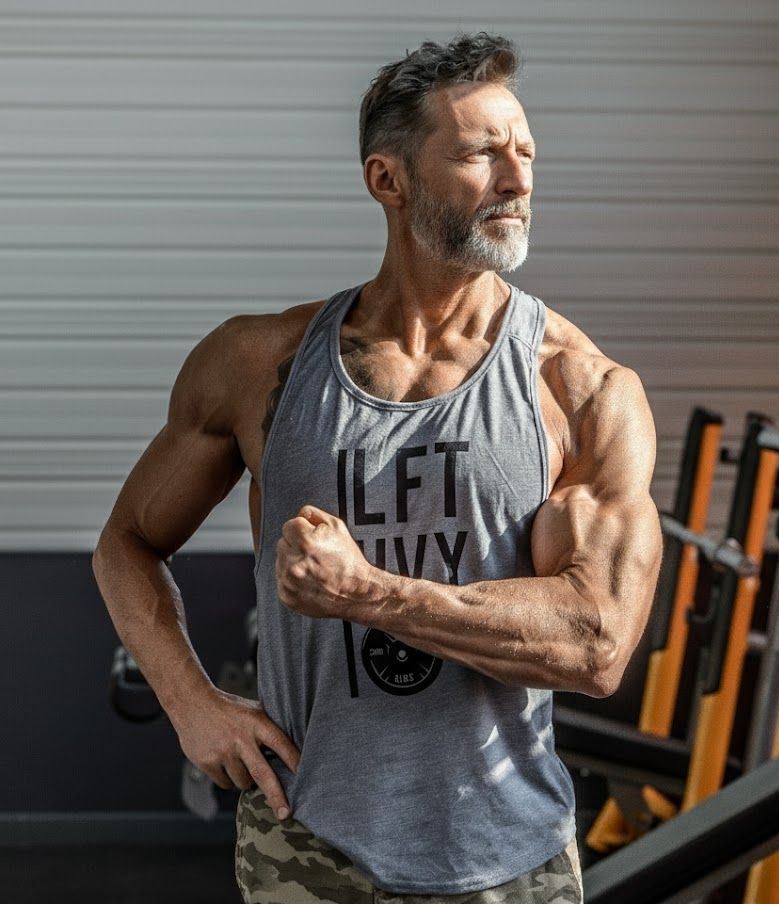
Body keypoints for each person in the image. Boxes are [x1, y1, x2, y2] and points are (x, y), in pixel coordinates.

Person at [92, 31, 662, 904]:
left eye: (526, 152)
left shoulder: (580, 389)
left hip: (509, 858)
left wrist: (369, 594)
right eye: (480, 153)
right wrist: (190, 703)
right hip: (307, 847)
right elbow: (127, 542)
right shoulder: (258, 366)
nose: (517, 180)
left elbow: (596, 643)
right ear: (387, 179)